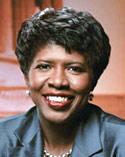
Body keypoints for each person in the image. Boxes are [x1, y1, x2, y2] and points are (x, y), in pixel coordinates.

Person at [0, 7, 125, 157]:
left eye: (74, 69)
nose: (58, 81)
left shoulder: (120, 141)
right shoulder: (2, 138)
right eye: (44, 66)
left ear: (93, 80)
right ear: (27, 76)